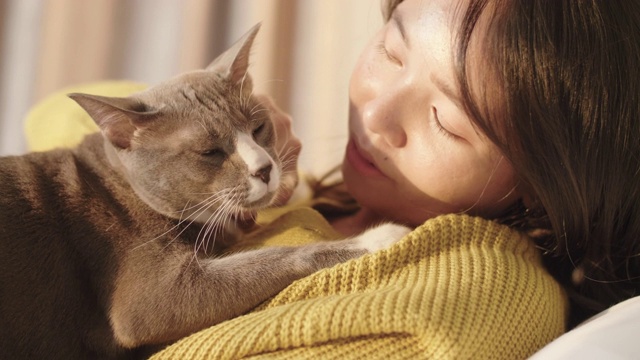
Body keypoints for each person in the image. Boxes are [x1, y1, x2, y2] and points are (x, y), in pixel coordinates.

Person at [23, 0, 639, 358]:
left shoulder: (477, 291)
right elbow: (57, 115)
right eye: (392, 52)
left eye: (444, 120)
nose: (373, 114)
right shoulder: (310, 192)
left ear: (549, 182)